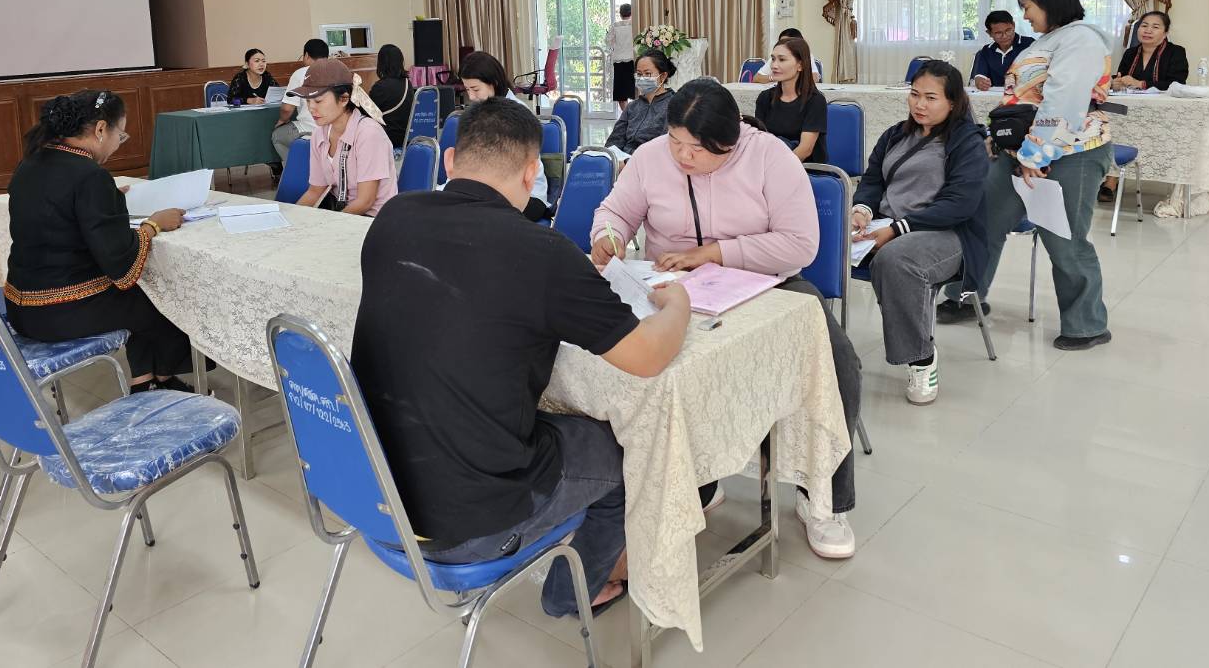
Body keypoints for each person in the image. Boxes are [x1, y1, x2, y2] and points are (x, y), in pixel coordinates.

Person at [352, 98, 691, 618]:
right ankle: (575, 592)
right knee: (626, 446)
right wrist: (678, 305)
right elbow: (647, 357)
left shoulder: (393, 218)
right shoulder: (542, 252)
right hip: (468, 521)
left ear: (449, 160)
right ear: (533, 174)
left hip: (376, 493)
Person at [590, 80, 863, 560]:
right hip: (673, 292)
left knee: (838, 362)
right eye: (675, 141)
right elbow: (614, 212)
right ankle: (696, 480)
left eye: (696, 148)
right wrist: (608, 236)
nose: (682, 156)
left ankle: (824, 498)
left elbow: (800, 244)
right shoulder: (651, 158)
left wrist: (715, 253)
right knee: (646, 364)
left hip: (767, 285)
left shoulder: (771, 159)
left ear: (731, 140)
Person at [945, 0, 1115, 351]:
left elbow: (1064, 103)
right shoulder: (1048, 39)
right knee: (982, 218)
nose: (1024, 15)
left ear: (1050, 2)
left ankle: (1086, 324)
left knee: (1064, 238)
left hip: (1071, 153)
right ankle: (966, 295)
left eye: (1028, 6)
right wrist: (1002, 141)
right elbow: (1023, 97)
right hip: (1021, 152)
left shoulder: (1082, 39)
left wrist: (1035, 155)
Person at [4, 90, 194, 391]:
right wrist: (153, 225)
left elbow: (59, 211)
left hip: (20, 306)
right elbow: (121, 264)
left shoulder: (32, 161)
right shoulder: (89, 176)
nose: (119, 144)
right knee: (163, 299)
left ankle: (146, 380)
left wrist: (108, 200)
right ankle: (161, 380)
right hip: (60, 310)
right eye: (121, 135)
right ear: (101, 129)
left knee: (138, 300)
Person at [850, 62, 988, 405]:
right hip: (886, 226)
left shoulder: (967, 142)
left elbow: (960, 203)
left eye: (930, 97)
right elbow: (872, 180)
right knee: (810, 243)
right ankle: (821, 347)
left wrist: (898, 229)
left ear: (953, 102)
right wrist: (862, 210)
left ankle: (922, 358)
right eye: (914, 94)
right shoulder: (896, 134)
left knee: (895, 260)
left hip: (946, 234)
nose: (919, 104)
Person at [291, 60, 398, 217]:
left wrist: (333, 224)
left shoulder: (368, 133)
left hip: (373, 219)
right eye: (308, 101)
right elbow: (315, 191)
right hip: (341, 213)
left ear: (344, 99)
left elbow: (365, 201)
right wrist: (291, 218)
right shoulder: (319, 134)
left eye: (318, 101)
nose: (311, 108)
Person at [1100, 9, 1187, 201]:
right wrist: (1116, 82)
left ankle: (1175, 181)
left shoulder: (1176, 52)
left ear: (1165, 32)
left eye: (1155, 27)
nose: (1147, 30)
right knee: (1114, 124)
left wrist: (1141, 84)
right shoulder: (1131, 53)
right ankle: (1112, 179)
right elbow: (1121, 77)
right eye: (1144, 26)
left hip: (1164, 112)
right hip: (1132, 109)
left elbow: (1177, 83)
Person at [457, 51, 551, 221]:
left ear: (494, 83)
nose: (471, 97)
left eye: (476, 89)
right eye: (467, 90)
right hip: (493, 189)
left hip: (525, 195)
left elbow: (507, 171)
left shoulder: (515, 114)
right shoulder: (482, 113)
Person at [755, 35, 828, 164]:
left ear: (800, 65)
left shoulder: (815, 101)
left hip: (806, 169)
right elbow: (759, 141)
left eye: (782, 60)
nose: (774, 65)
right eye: (773, 59)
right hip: (771, 164)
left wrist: (775, 168)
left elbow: (805, 150)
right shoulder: (765, 98)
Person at [272, 38, 329, 171]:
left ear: (306, 55)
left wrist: (281, 121)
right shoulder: (337, 72)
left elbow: (287, 109)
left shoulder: (300, 74)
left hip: (310, 128)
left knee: (277, 135)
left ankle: (297, 171)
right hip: (336, 128)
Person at [605, 50, 676, 155]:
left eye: (647, 74)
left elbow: (665, 148)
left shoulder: (674, 106)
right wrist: (614, 157)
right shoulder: (632, 107)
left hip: (650, 161)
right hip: (622, 160)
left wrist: (630, 161)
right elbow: (614, 141)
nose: (642, 78)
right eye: (639, 74)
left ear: (663, 76)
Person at [969, 10, 1035, 91]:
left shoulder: (1030, 44)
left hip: (1024, 94)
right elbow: (980, 75)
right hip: (995, 96)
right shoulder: (986, 50)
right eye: (998, 33)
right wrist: (980, 81)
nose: (1004, 36)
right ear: (989, 33)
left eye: (1008, 30)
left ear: (1014, 25)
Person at [368, 43, 416, 150]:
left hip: (387, 138)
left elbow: (367, 113)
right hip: (405, 137)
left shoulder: (381, 87)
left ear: (382, 63)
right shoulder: (407, 83)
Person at [750, 27, 818, 83]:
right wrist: (774, 77)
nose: (774, 66)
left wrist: (788, 78)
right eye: (781, 42)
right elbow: (756, 78)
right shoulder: (776, 57)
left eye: (782, 59)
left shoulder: (805, 55)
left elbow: (815, 77)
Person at [606, 4, 637, 113]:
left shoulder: (615, 26)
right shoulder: (635, 25)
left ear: (620, 14)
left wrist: (615, 43)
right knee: (634, 90)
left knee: (621, 93)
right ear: (631, 13)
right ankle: (634, 116)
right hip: (632, 60)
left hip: (619, 61)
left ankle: (626, 115)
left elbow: (608, 42)